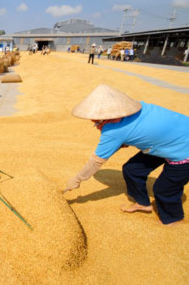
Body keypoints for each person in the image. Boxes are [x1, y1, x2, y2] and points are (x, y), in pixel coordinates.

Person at [64, 84, 189, 225]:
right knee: (132, 170)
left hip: (184, 152)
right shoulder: (140, 107)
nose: (98, 127)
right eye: (94, 122)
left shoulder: (113, 131)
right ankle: (143, 203)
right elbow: (144, 130)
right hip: (166, 142)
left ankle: (174, 219)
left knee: (164, 189)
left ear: (114, 117)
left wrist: (78, 179)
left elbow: (96, 161)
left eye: (99, 121)